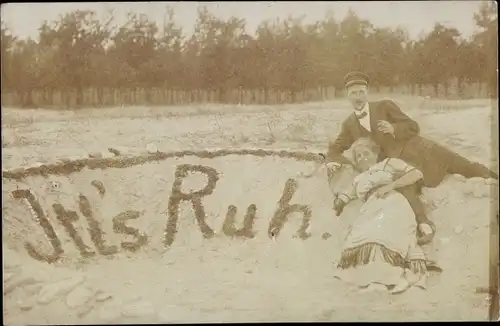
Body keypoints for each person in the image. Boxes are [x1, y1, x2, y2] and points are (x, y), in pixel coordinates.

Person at [327, 71, 498, 245]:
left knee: (463, 165)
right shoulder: (349, 124)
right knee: (407, 191)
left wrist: (394, 128)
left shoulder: (384, 106)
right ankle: (425, 226)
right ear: (347, 95)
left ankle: (494, 178)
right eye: (354, 93)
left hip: (419, 149)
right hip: (395, 165)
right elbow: (335, 148)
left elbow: (413, 126)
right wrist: (332, 160)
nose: (358, 97)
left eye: (361, 92)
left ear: (367, 92)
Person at [333, 137, 441, 294]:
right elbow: (345, 195)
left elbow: (416, 174)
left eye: (366, 153)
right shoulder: (358, 179)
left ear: (375, 153)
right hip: (369, 210)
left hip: (393, 203)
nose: (363, 158)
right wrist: (339, 201)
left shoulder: (389, 163)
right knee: (363, 237)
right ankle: (370, 281)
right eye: (359, 156)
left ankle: (389, 279)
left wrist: (391, 186)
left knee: (384, 235)